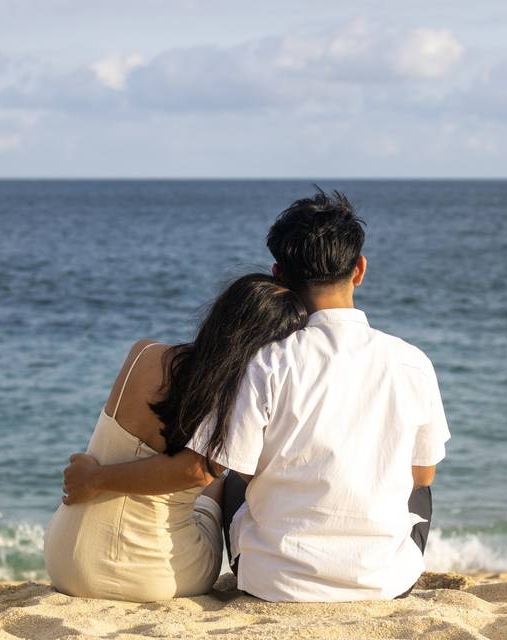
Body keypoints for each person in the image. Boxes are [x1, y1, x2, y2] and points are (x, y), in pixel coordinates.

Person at [63, 189, 451, 602]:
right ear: (359, 269)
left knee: (230, 475)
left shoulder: (264, 361)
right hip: (385, 584)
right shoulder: (413, 362)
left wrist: (98, 478)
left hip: (275, 583)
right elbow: (421, 478)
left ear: (278, 275)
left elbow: (202, 470)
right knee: (418, 491)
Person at [44, 273, 308, 602]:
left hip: (64, 556)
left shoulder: (145, 354)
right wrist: (97, 479)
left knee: (211, 474)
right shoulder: (234, 397)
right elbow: (196, 470)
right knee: (223, 482)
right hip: (150, 572)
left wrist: (96, 478)